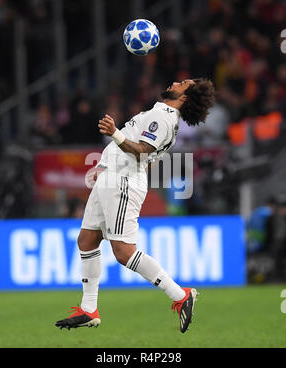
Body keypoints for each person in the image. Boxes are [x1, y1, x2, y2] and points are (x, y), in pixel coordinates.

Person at [55, 78, 215, 333]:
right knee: (86, 240)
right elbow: (147, 157)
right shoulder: (159, 113)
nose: (176, 80)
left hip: (124, 182)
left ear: (183, 97)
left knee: (123, 251)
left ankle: (180, 295)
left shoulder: (164, 117)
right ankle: (89, 309)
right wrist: (110, 165)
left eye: (183, 83)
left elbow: (141, 152)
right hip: (115, 176)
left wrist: (115, 134)